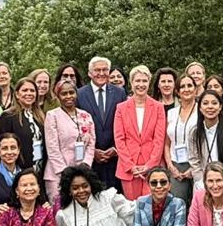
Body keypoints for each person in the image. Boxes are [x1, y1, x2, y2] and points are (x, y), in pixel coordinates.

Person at [114, 65, 167, 199]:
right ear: (131, 83)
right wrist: (130, 165)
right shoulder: (121, 108)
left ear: (149, 83)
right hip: (128, 168)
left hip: (152, 168)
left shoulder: (158, 107)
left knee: (153, 208)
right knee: (132, 210)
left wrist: (150, 164)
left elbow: (159, 139)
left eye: (144, 81)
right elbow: (119, 139)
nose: (141, 84)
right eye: (137, 81)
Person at [78, 56, 126, 191]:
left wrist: (116, 149)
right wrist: (92, 151)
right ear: (89, 73)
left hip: (115, 158)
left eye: (105, 70)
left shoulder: (119, 93)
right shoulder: (79, 94)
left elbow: (125, 124)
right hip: (90, 160)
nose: (101, 73)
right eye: (97, 70)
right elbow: (76, 127)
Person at [43, 81, 96, 202]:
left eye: (71, 92)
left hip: (82, 172)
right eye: (64, 93)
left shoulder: (86, 115)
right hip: (58, 174)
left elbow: (92, 143)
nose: (68, 96)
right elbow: (52, 147)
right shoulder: (52, 116)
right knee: (60, 210)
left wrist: (86, 164)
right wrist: (65, 172)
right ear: (58, 96)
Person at [0, 78, 47, 174]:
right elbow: (3, 146)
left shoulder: (41, 116)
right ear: (17, 94)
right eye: (25, 90)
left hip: (40, 168)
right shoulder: (8, 116)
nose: (29, 93)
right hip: (19, 171)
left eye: (32, 91)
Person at [164, 73, 199, 203]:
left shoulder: (202, 111)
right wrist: (170, 165)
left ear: (195, 89)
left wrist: (194, 168)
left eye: (190, 85)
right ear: (177, 92)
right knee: (178, 204)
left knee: (199, 204)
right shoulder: (171, 113)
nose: (186, 89)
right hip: (176, 165)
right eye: (182, 86)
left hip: (197, 164)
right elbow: (167, 143)